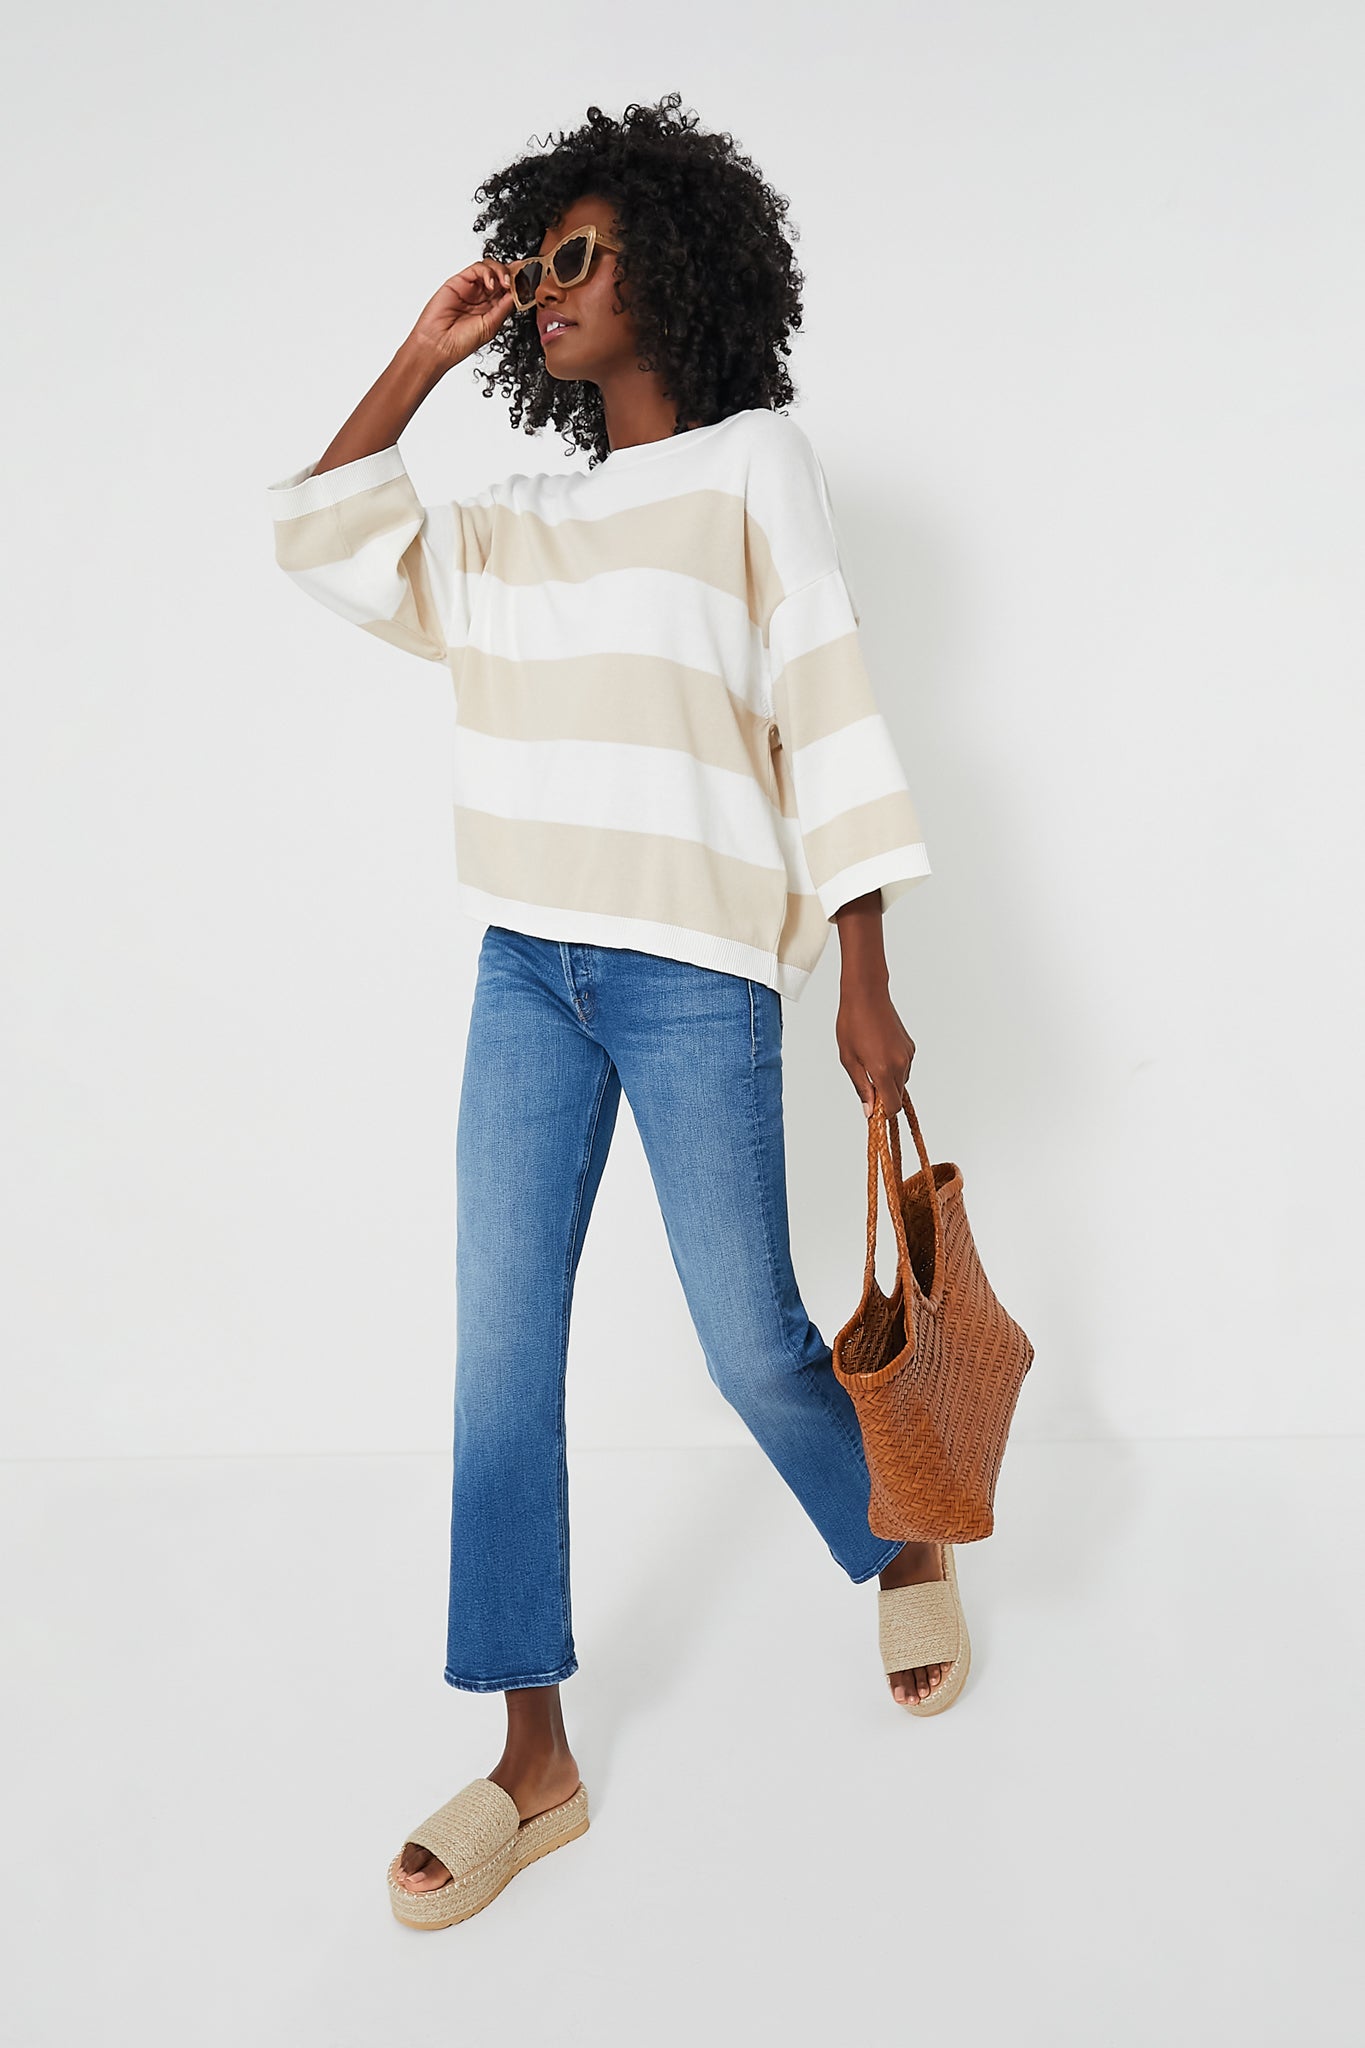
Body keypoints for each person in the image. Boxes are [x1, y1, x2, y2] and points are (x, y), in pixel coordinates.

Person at [266, 93, 969, 1931]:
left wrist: (866, 973)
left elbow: (827, 706)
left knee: (751, 1343)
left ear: (676, 268)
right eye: (534, 259)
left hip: (690, 975)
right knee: (498, 1363)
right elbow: (322, 541)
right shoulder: (517, 522)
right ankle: (534, 1758)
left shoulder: (751, 469)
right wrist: (421, 357)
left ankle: (896, 1533)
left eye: (575, 253)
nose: (544, 284)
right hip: (525, 970)